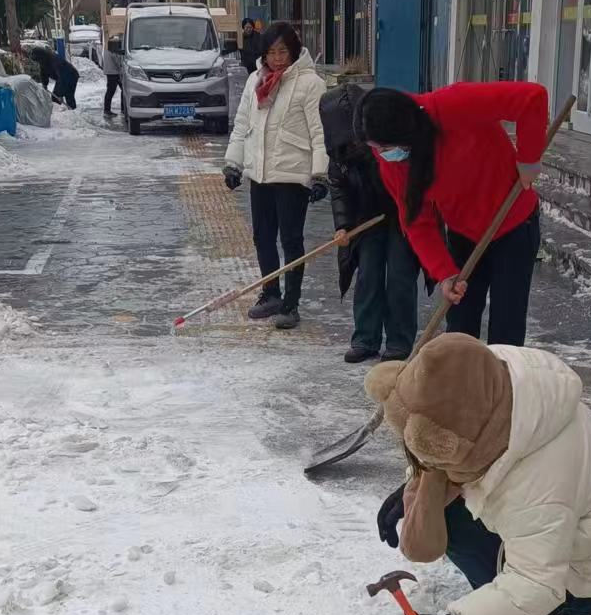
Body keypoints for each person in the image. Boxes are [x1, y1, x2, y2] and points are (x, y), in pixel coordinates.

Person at [368, 334, 591, 615]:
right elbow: (448, 421)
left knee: (455, 524)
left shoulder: (539, 482)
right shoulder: (493, 375)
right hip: (579, 529)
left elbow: (536, 581)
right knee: (452, 503)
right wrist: (413, 488)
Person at [355, 81, 548, 347]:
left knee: (507, 326)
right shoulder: (394, 162)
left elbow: (531, 98)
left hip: (513, 221)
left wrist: (528, 158)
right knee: (459, 329)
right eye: (376, 148)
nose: (382, 155)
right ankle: (459, 387)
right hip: (464, 232)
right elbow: (416, 221)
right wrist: (444, 272)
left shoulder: (452, 105)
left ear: (405, 130)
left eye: (384, 147)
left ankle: (504, 385)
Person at [223, 22, 329, 330]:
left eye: (283, 51)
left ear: (294, 50)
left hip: (293, 174)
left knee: (291, 240)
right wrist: (234, 164)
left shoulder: (310, 83)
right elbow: (243, 124)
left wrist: (320, 174)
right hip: (261, 173)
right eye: (271, 52)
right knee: (262, 237)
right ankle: (270, 292)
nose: (277, 58)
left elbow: (319, 132)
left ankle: (290, 304)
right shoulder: (256, 80)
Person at [319, 81, 420, 363]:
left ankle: (400, 342)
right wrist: (342, 225)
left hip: (401, 216)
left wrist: (400, 209)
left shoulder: (385, 142)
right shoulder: (338, 154)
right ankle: (365, 338)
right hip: (366, 219)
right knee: (368, 276)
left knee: (400, 276)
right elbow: (338, 188)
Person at [28, 43, 79, 111]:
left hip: (71, 76)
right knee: (59, 96)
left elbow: (62, 78)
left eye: (37, 60)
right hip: (62, 77)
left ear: (41, 56)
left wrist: (60, 93)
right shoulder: (43, 61)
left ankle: (69, 112)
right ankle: (66, 112)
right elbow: (43, 73)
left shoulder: (55, 60)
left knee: (65, 96)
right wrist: (44, 84)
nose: (38, 62)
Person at [101, 35, 123, 118]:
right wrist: (121, 67)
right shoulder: (111, 50)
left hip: (110, 72)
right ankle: (107, 110)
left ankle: (108, 110)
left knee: (112, 91)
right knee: (112, 91)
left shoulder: (106, 49)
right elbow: (117, 62)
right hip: (114, 73)